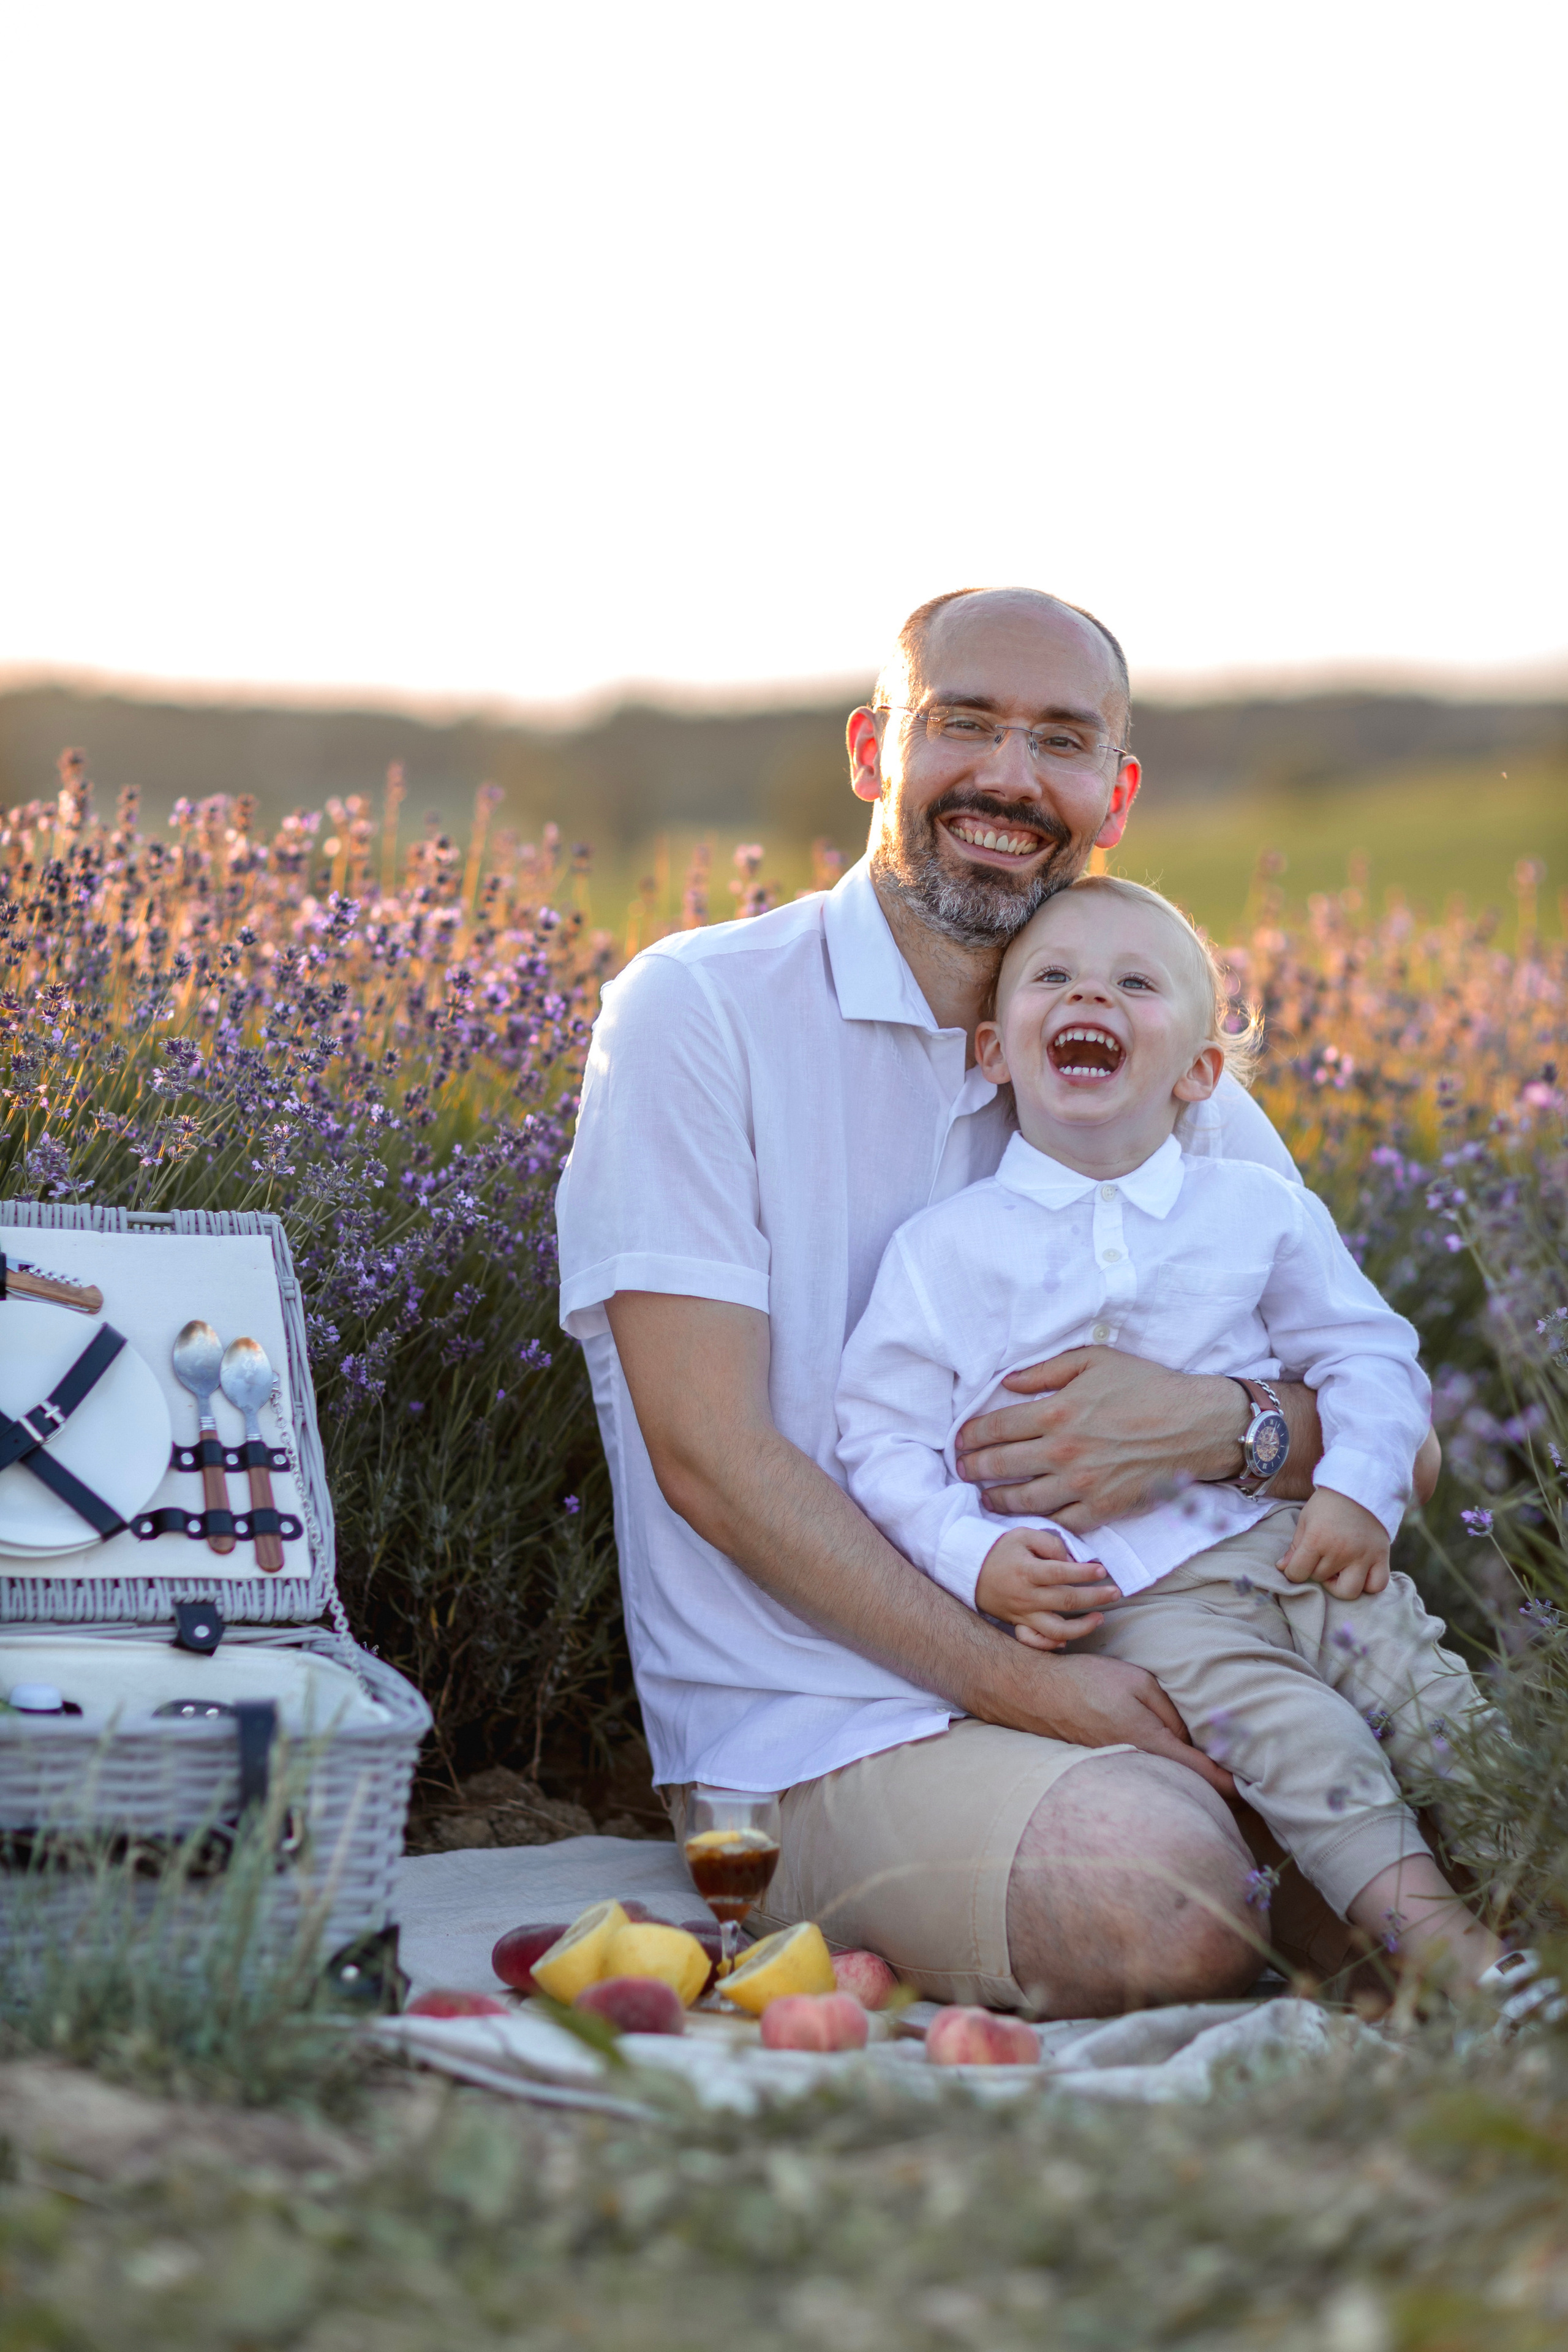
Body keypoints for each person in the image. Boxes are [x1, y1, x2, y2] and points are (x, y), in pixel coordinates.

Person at [556, 584, 1441, 2014]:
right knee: (1156, 1887)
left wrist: (1214, 1427)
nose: (1010, 778)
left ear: (1115, 791)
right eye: (962, 724)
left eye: (1061, 741)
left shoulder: (1142, 1029)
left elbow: (1401, 1433)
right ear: (870, 753)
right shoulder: (700, 1015)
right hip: (824, 1722)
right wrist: (1033, 1689)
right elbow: (709, 1459)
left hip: (1193, 1648)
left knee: (1471, 1765)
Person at [836, 873, 1496, 1991]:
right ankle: (1462, 1964)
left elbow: (1371, 1355)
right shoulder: (945, 1249)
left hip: (1304, 1549)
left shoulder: (1256, 1209)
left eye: (1134, 983)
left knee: (1448, 1714)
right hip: (1140, 1603)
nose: (1090, 994)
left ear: (1198, 1071)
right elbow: (879, 1438)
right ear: (995, 1051)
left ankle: (1540, 1887)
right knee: (1310, 1751)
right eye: (1055, 977)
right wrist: (977, 1555)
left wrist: (1356, 1485)